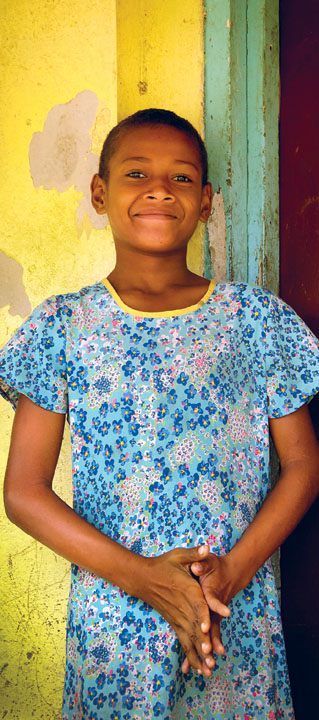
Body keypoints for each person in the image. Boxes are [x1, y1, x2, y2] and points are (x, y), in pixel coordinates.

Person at [1, 108, 319, 720]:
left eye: (180, 178)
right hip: (114, 613)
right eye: (137, 172)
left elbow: (303, 465)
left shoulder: (255, 321)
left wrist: (230, 575)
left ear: (205, 202)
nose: (158, 189)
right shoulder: (63, 326)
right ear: (100, 192)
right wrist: (145, 579)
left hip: (234, 609)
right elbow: (23, 492)